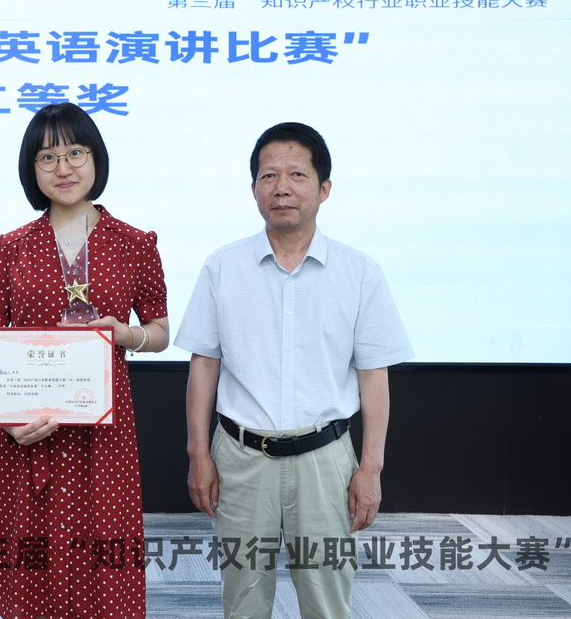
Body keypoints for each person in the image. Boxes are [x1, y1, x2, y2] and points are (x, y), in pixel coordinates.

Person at [177, 122, 414, 619]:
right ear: (254, 190)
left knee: (327, 601)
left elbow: (374, 377)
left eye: (297, 175)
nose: (281, 188)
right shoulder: (222, 267)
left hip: (325, 460)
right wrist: (198, 453)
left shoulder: (359, 272)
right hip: (240, 458)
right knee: (242, 600)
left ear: (324, 189)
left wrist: (370, 468)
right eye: (269, 176)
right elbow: (204, 365)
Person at [0, 103, 170, 619]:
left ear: (96, 159)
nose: (63, 168)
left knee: (102, 559)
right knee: (32, 565)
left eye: (75, 153)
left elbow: (159, 331)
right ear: (31, 169)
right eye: (47, 157)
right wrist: (9, 420)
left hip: (103, 435)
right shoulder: (10, 247)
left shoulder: (134, 244)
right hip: (28, 433)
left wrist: (125, 334)